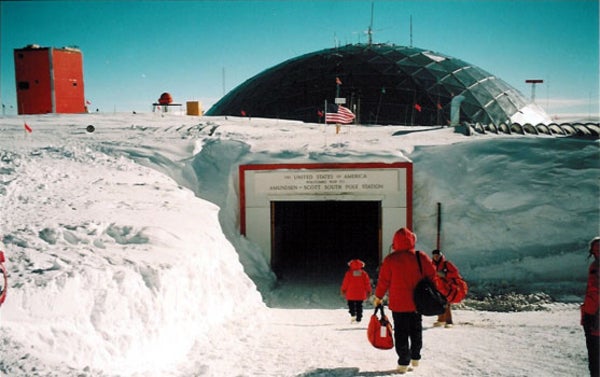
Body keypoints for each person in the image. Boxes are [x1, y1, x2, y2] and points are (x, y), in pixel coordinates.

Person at [373, 228, 440, 374]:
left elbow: (383, 281)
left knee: (401, 333)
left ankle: (403, 362)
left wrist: (378, 297)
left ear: (395, 242)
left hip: (398, 304)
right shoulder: (420, 256)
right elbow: (432, 276)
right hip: (418, 302)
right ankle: (416, 357)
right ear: (412, 240)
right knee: (416, 330)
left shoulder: (390, 259)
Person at [431, 249, 467, 328]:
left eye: (437, 256)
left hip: (448, 287)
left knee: (447, 304)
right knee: (439, 303)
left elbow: (456, 273)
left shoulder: (447, 264)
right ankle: (441, 319)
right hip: (438, 287)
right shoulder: (432, 265)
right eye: (434, 256)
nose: (436, 257)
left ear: (440, 256)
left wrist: (445, 275)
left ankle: (449, 321)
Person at [582, 237, 599, 377]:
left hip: (595, 316)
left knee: (595, 357)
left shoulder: (596, 266)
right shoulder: (594, 266)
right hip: (591, 314)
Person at [340, 259, 372, 323]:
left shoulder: (349, 273)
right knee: (359, 306)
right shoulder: (363, 273)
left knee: (351, 305)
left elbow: (345, 283)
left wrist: (343, 290)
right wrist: (369, 291)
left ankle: (353, 315)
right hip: (360, 293)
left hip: (350, 293)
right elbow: (367, 283)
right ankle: (359, 318)